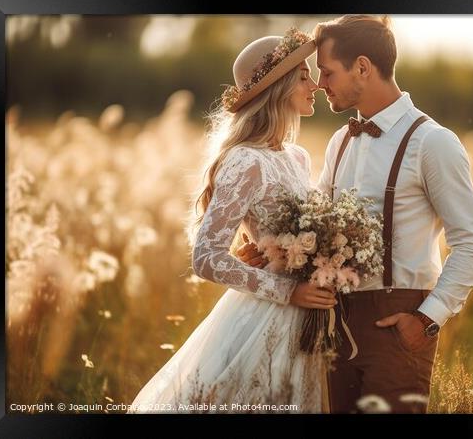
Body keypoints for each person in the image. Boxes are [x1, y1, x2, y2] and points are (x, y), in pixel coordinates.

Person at [242, 15, 473, 414]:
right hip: (333, 324)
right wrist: (272, 250)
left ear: (362, 66)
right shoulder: (340, 141)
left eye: (327, 72)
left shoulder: (433, 142)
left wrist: (427, 319)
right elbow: (316, 227)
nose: (319, 84)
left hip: (400, 323)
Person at [127, 27, 336, 414]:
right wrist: (289, 292)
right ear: (280, 85)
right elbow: (206, 257)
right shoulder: (245, 160)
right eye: (304, 76)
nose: (316, 85)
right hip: (267, 317)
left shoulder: (298, 158)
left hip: (310, 320)